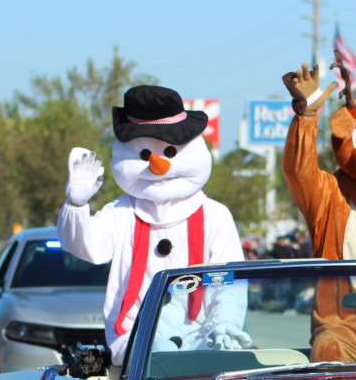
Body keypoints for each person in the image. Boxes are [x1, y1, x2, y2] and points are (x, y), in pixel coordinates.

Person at [57, 85, 247, 363]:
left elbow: (229, 282)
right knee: (158, 360)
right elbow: (87, 247)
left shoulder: (214, 215)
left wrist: (224, 323)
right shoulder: (121, 213)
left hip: (201, 340)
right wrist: (76, 206)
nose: (159, 165)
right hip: (134, 338)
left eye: (170, 152)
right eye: (145, 155)